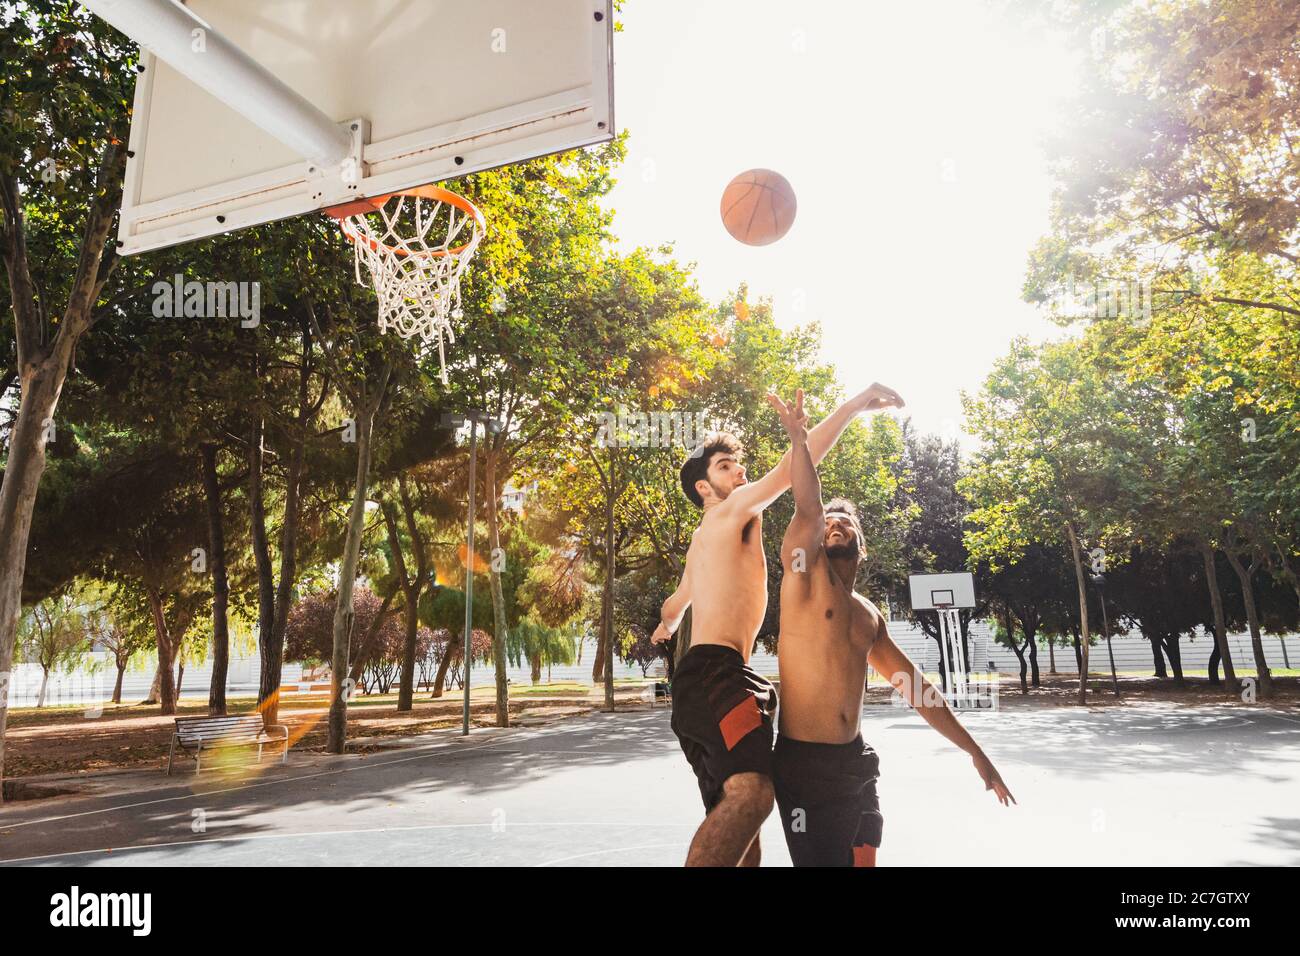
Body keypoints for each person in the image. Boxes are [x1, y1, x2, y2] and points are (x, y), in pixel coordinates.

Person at [652, 383, 905, 866]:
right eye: (726, 467)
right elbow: (796, 471)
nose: (740, 472)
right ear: (705, 488)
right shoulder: (729, 511)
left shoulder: (700, 545)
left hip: (707, 680)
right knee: (753, 796)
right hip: (717, 675)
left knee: (743, 827)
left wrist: (667, 627)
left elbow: (674, 604)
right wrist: (853, 406)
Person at [767, 388, 1015, 867]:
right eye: (828, 522)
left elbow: (916, 690)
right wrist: (800, 439)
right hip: (806, 767)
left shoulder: (867, 617)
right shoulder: (803, 578)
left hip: (856, 762)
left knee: (864, 858)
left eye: (846, 524)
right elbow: (806, 504)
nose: (834, 525)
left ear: (862, 548)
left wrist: (974, 751)